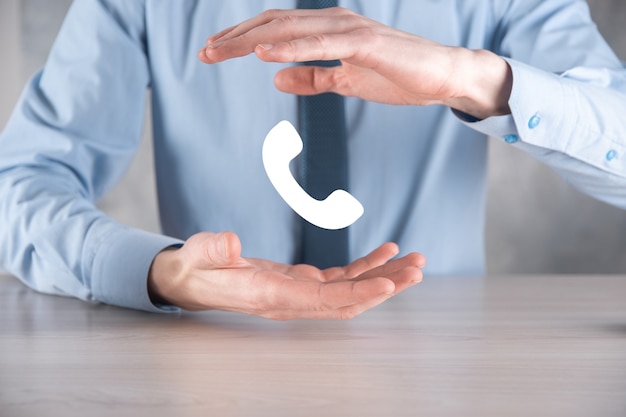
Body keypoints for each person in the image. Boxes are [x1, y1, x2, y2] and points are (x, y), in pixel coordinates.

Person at [0, 1, 624, 319]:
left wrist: (472, 79)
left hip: (445, 361)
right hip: (213, 360)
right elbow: (21, 185)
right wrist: (159, 274)